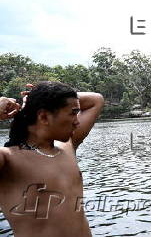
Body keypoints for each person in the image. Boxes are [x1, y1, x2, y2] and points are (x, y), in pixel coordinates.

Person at [0, 81, 104, 237]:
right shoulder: (8, 158)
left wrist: (39, 98)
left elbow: (96, 100)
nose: (77, 121)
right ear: (43, 116)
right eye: (72, 113)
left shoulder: (66, 146)